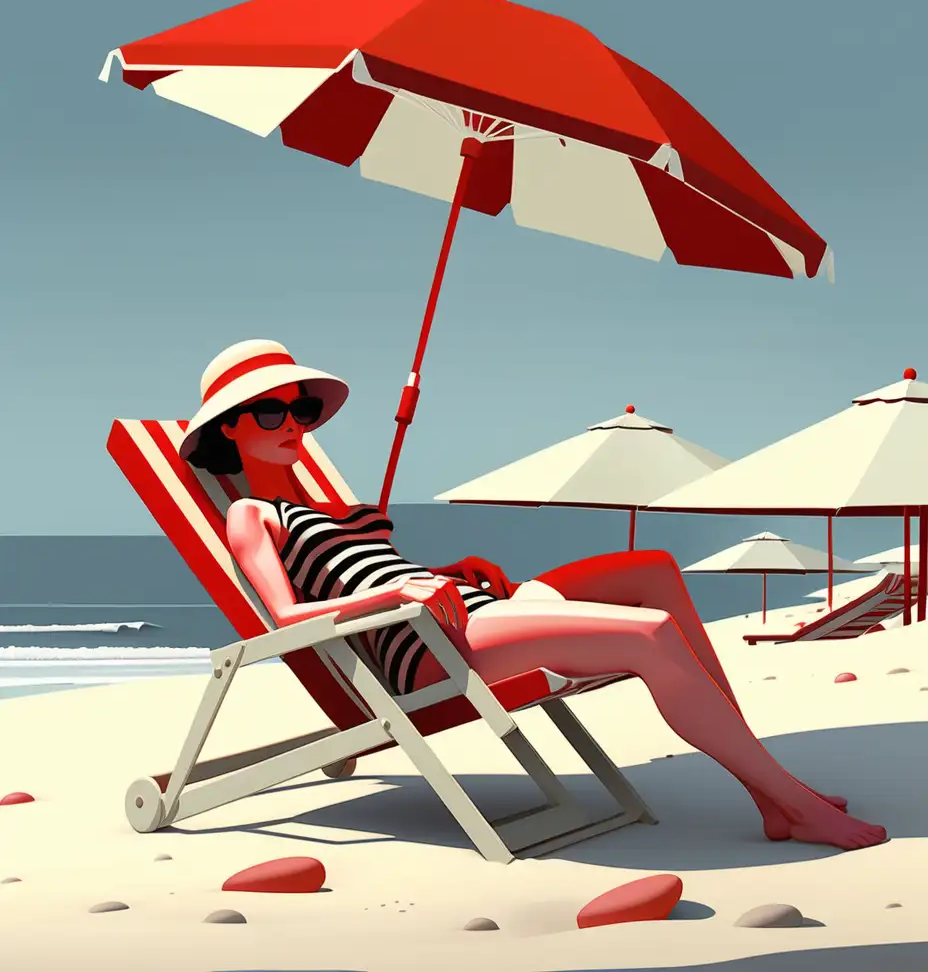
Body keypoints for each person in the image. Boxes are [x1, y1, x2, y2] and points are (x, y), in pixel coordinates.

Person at [182, 339, 886, 852]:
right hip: (427, 652)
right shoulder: (254, 516)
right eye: (269, 415)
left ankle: (770, 790)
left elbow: (370, 567)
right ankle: (789, 800)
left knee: (655, 571)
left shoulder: (341, 509)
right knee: (647, 634)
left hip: (462, 608)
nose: (293, 426)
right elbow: (284, 618)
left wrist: (448, 568)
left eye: (299, 409)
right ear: (230, 430)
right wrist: (397, 592)